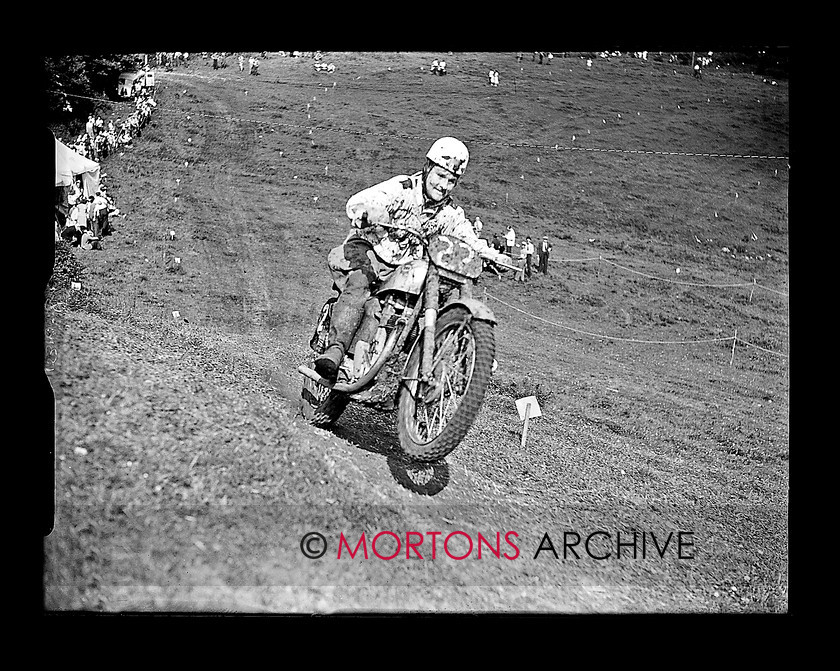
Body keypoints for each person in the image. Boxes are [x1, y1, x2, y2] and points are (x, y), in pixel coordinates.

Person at [313, 137, 511, 381]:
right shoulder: (403, 188)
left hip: (404, 271)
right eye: (440, 175)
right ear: (428, 168)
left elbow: (469, 239)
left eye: (451, 180)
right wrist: (366, 211)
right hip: (372, 251)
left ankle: (398, 370)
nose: (443, 185)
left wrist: (493, 256)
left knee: (416, 307)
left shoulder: (451, 215)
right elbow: (369, 198)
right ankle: (335, 351)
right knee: (359, 284)